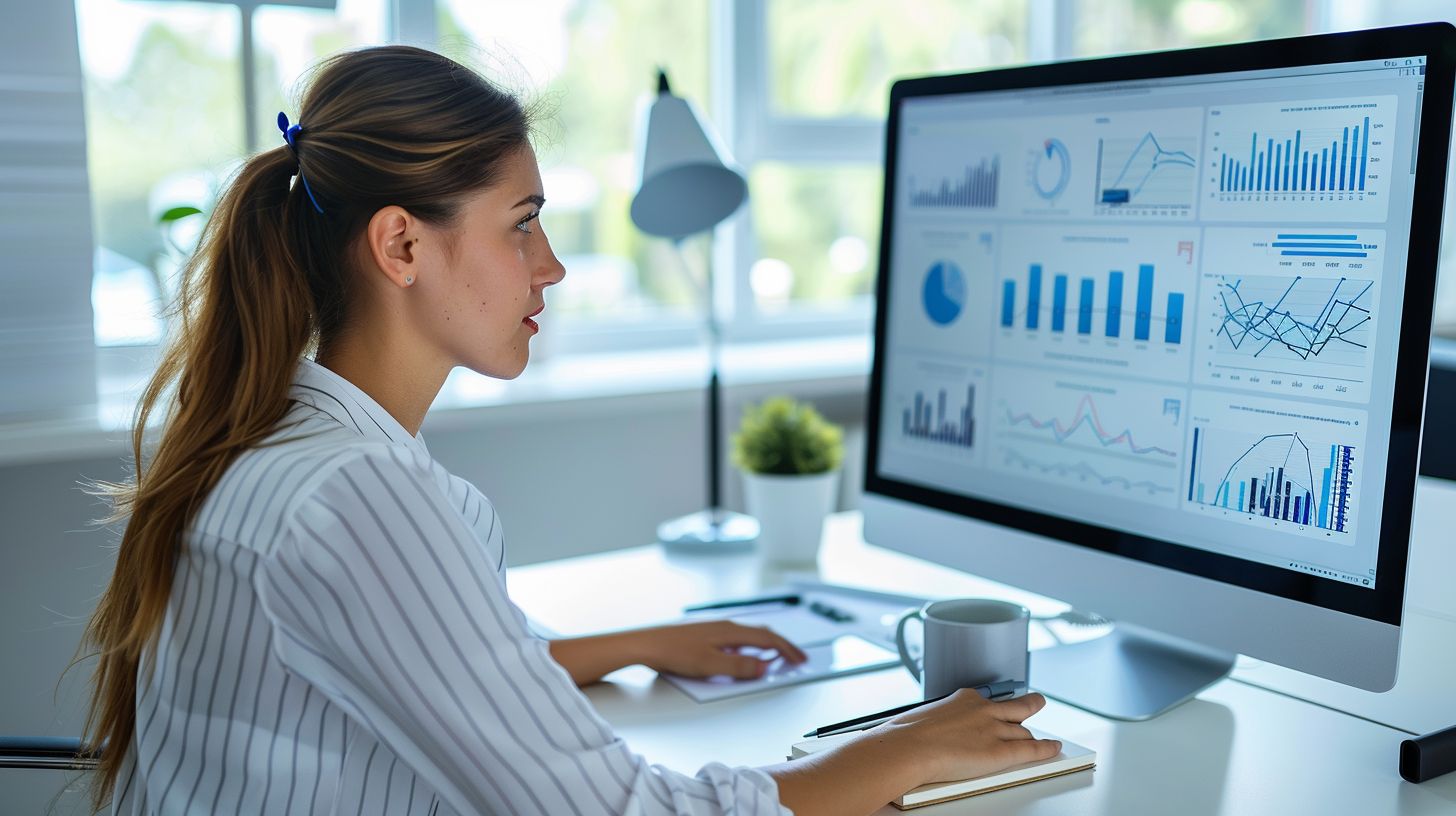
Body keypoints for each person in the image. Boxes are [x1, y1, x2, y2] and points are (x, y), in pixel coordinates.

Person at [77, 45, 1060, 816]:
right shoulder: (354, 497)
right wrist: (897, 749)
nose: (549, 266)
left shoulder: (280, 437)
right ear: (401, 242)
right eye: (521, 224)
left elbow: (424, 660)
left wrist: (638, 642)